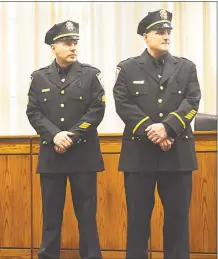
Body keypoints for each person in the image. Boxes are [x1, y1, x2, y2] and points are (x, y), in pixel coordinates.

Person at [113, 9, 201, 259]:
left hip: (178, 154)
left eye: (168, 32)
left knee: (177, 220)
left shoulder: (186, 67)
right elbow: (123, 103)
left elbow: (192, 101)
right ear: (145, 36)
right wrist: (151, 130)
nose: (166, 36)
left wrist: (168, 127)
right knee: (138, 220)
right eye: (159, 32)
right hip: (140, 155)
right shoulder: (128, 68)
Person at [26, 20, 105, 259]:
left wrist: (71, 135)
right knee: (51, 217)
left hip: (83, 155)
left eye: (75, 43)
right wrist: (54, 135)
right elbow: (33, 112)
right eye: (67, 43)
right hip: (53, 156)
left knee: (87, 216)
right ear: (53, 48)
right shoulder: (39, 78)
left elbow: (96, 110)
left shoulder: (91, 75)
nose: (73, 47)